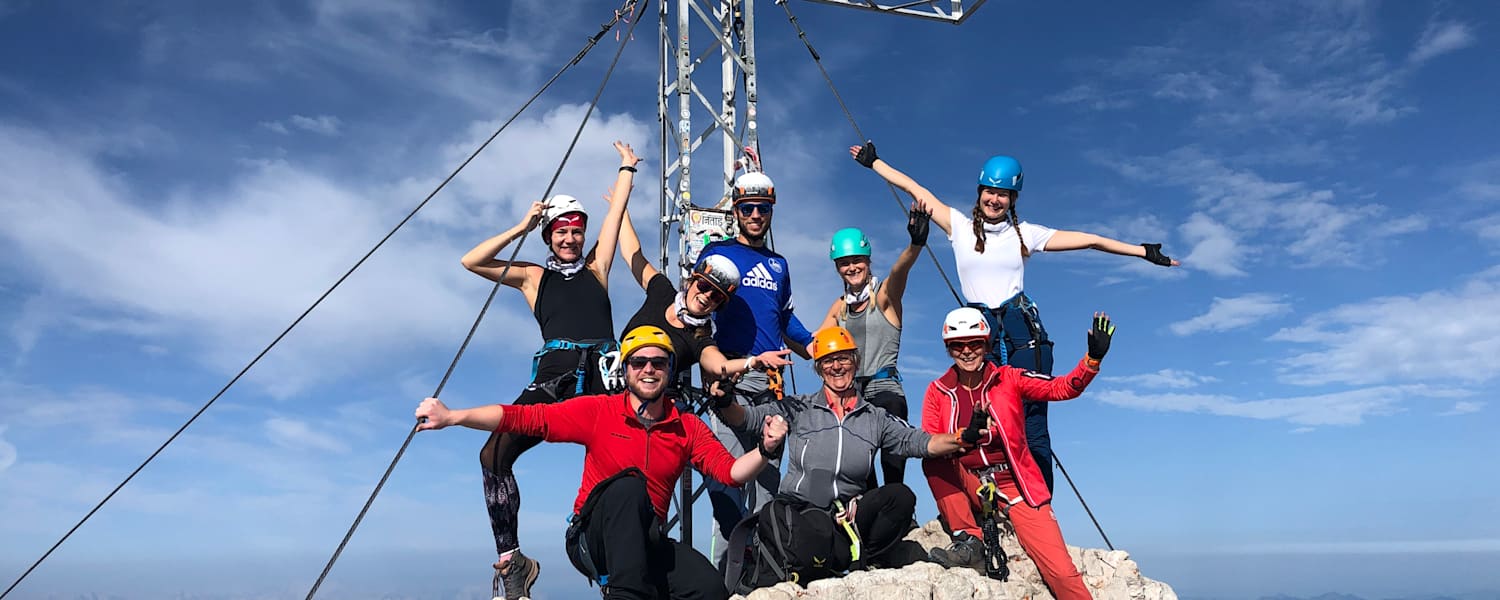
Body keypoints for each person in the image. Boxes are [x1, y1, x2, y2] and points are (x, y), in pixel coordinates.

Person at [851, 141, 1178, 491]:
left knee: (1033, 426)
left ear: (1013, 199)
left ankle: (1040, 507)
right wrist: (875, 163)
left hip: (1024, 334)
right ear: (980, 193)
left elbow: (1091, 240)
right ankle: (991, 509)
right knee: (982, 421)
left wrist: (1143, 251)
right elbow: (914, 188)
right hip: (979, 335)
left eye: (1003, 194)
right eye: (990, 191)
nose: (995, 199)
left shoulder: (1025, 235)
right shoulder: (958, 227)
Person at [416, 326, 790, 600]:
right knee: (629, 486)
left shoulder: (686, 426)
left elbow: (729, 472)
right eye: (638, 362)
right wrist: (454, 416)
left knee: (708, 590)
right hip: (591, 537)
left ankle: (635, 587)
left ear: (669, 369)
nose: (648, 369)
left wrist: (767, 448)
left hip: (647, 540)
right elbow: (525, 418)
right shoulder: (600, 412)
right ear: (625, 370)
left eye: (658, 362)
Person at [456, 140, 637, 598]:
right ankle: (512, 561)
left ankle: (625, 571)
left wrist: (625, 169)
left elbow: (614, 216)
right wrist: (522, 225)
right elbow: (471, 260)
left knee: (621, 472)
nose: (570, 237)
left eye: (576, 230)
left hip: (601, 379)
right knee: (492, 455)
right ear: (548, 235)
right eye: (560, 231)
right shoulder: (534, 277)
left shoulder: (598, 267)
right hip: (553, 383)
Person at [712, 326, 969, 587]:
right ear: (819, 368)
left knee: (900, 497)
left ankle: (865, 561)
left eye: (843, 358)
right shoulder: (800, 407)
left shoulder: (874, 417)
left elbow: (919, 442)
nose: (836, 366)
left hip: (849, 516)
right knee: (804, 532)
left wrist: (961, 438)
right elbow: (747, 420)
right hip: (803, 511)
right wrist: (725, 402)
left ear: (855, 363)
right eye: (827, 361)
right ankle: (833, 560)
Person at [920, 308, 1115, 600]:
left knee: (1062, 573)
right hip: (971, 482)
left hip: (1016, 484)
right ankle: (969, 540)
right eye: (958, 345)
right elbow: (930, 441)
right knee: (934, 461)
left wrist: (1092, 360)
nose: (967, 351)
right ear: (949, 350)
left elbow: (1061, 388)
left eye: (975, 343)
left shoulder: (1008, 378)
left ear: (987, 345)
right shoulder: (937, 391)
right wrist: (965, 438)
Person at [697, 170, 816, 560]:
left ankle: (765, 571)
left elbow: (784, 319)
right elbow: (694, 309)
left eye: (762, 209)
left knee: (768, 484)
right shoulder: (717, 254)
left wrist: (817, 348)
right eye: (747, 208)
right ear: (735, 210)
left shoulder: (779, 265)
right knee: (727, 481)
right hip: (732, 384)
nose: (755, 215)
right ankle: (728, 575)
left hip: (773, 388)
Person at [612, 180, 794, 386]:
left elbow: (719, 366)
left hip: (651, 402)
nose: (707, 296)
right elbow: (631, 254)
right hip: (613, 385)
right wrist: (620, 206)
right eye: (704, 286)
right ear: (692, 281)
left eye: (716, 296)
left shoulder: (700, 337)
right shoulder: (662, 292)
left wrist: (753, 361)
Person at [816, 217, 927, 487]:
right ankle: (871, 513)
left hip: (885, 388)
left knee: (892, 456)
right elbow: (814, 346)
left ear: (868, 260)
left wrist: (915, 244)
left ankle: (899, 505)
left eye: (857, 260)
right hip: (853, 395)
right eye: (844, 263)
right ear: (837, 268)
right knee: (859, 471)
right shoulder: (839, 307)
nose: (852, 267)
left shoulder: (883, 296)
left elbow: (900, 272)